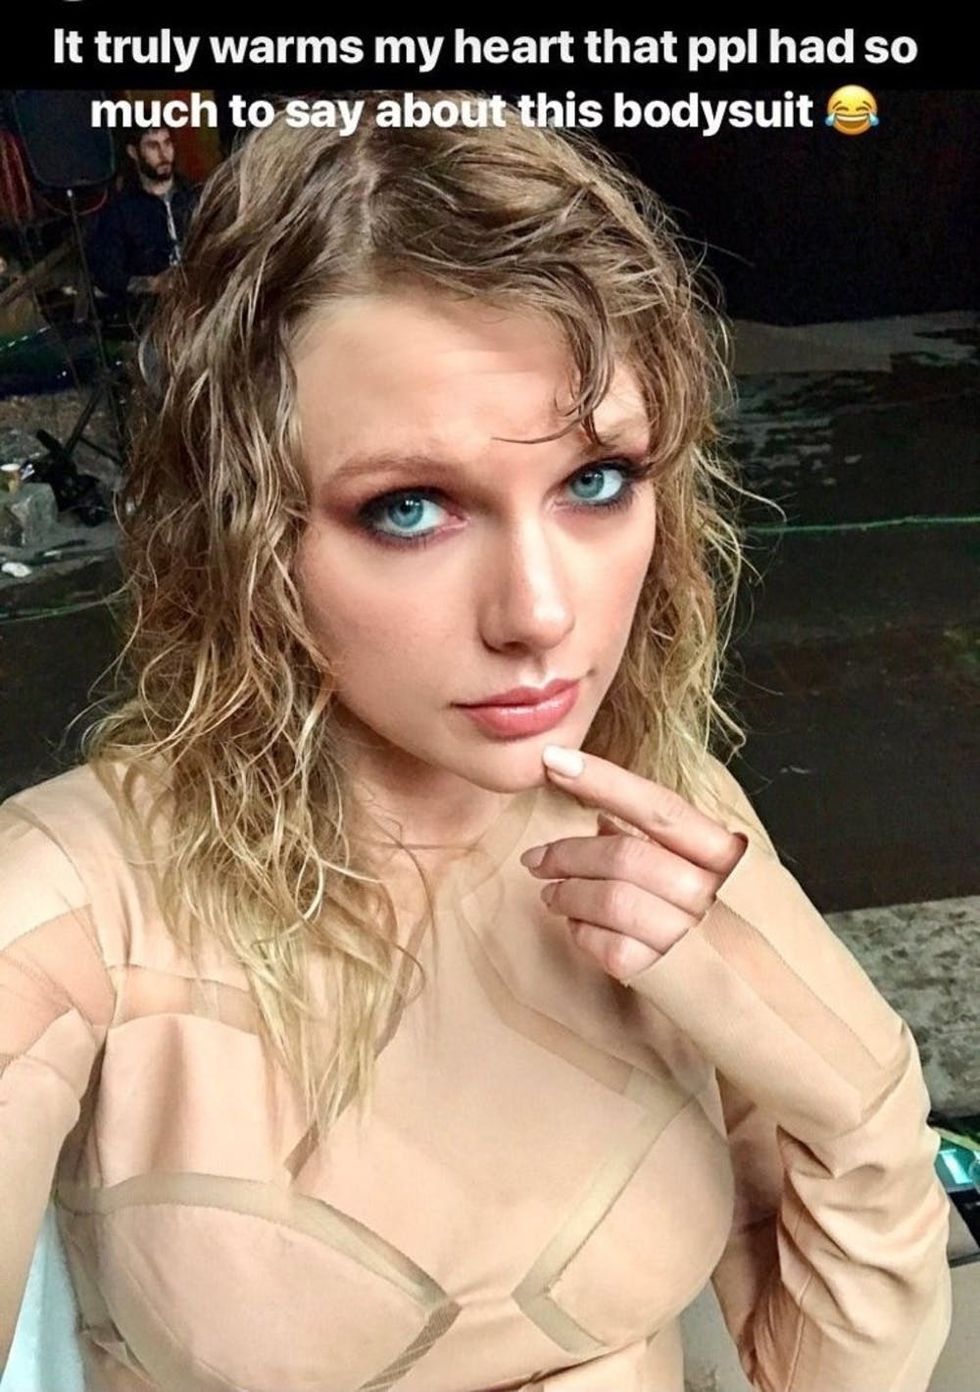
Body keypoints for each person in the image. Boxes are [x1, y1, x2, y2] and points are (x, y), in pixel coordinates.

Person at [0, 92, 952, 1392]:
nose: (540, 615)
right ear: (236, 530)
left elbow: (830, 1373)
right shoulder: (66, 903)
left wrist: (860, 1108)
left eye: (596, 482)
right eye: (409, 507)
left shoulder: (663, 811)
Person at [85, 125, 198, 313]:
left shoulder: (195, 195)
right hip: (151, 311)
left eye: (167, 143)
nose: (164, 154)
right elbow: (107, 274)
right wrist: (152, 284)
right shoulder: (120, 211)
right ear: (133, 152)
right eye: (153, 146)